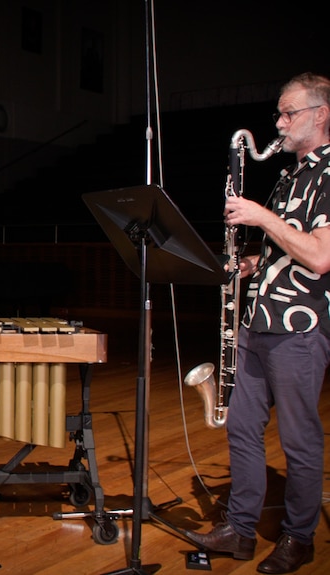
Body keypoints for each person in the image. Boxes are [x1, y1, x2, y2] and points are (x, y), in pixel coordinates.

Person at [184, 73, 330, 574]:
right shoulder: (291, 175)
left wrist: (260, 216)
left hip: (300, 327)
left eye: (289, 113)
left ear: (320, 114)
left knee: (299, 439)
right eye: (279, 114)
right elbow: (288, 250)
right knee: (242, 429)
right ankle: (240, 531)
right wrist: (250, 264)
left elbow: (321, 255)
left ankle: (298, 538)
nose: (280, 123)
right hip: (257, 321)